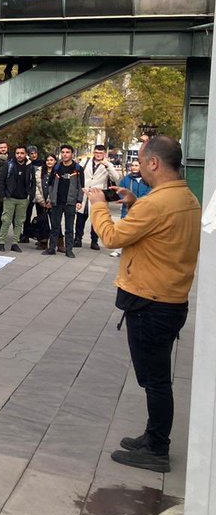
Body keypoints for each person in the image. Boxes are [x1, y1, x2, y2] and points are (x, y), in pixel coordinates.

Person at [87, 137, 200, 473]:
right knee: (156, 377)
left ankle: (157, 448)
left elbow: (112, 238)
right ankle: (153, 436)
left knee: (156, 381)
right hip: (170, 299)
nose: (138, 168)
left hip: (151, 302)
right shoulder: (185, 197)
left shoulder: (157, 204)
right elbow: (158, 230)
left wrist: (97, 204)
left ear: (154, 163)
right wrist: (134, 202)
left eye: (142, 162)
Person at [42, 145, 83, 258]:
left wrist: (79, 200)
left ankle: (69, 250)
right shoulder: (57, 168)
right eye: (63, 152)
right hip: (57, 202)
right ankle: (52, 248)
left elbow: (81, 186)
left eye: (67, 152)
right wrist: (50, 199)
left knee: (69, 228)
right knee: (55, 226)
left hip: (70, 202)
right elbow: (51, 185)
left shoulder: (78, 168)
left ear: (72, 154)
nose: (65, 154)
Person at [78, 144, 119, 250]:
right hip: (85, 193)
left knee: (96, 219)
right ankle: (77, 239)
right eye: (96, 152)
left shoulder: (108, 164)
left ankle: (94, 241)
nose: (98, 155)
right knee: (80, 217)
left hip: (98, 195)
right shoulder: (85, 162)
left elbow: (116, 177)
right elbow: (78, 173)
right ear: (93, 152)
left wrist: (107, 165)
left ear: (104, 154)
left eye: (100, 153)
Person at [0, 145, 35, 253]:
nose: (19, 155)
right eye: (17, 153)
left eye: (22, 153)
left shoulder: (29, 166)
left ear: (25, 154)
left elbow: (33, 182)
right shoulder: (9, 164)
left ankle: (15, 243)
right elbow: (1, 180)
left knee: (19, 222)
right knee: (6, 221)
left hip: (23, 199)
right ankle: (1, 242)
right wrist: (3, 194)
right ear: (15, 154)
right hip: (10, 197)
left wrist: (30, 195)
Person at [111, 159, 152, 256]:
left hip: (142, 207)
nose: (134, 167)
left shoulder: (147, 179)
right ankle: (118, 250)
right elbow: (121, 190)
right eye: (132, 165)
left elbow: (150, 191)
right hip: (127, 208)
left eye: (136, 165)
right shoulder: (126, 179)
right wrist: (125, 199)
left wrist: (139, 201)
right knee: (123, 228)